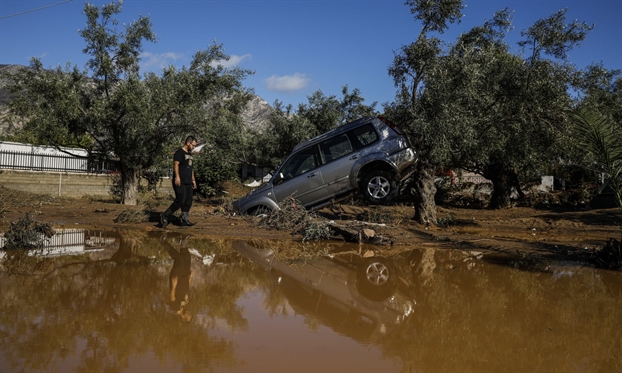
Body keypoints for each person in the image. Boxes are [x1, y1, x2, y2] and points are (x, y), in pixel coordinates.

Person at [160, 136, 198, 227]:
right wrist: (177, 177)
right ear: (188, 143)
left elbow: (191, 168)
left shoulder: (190, 154)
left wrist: (193, 180)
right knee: (180, 200)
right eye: (193, 145)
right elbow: (176, 165)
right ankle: (165, 215)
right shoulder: (179, 153)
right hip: (180, 181)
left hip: (188, 181)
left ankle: (184, 220)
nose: (194, 147)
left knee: (188, 201)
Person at [160, 233, 193, 322]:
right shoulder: (185, 304)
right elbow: (187, 289)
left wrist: (173, 286)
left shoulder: (175, 308)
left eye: (189, 315)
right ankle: (184, 241)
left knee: (179, 259)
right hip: (185, 277)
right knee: (186, 258)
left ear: (183, 318)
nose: (190, 313)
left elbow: (172, 297)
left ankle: (164, 242)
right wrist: (190, 278)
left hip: (177, 278)